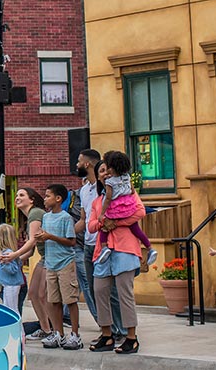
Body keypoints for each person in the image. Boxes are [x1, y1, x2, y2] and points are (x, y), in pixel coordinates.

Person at [88, 160, 144, 355]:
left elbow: (139, 212)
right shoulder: (97, 201)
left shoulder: (129, 193)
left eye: (107, 170)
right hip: (102, 252)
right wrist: (103, 223)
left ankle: (131, 337)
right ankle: (107, 334)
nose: (105, 174)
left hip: (125, 249)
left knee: (124, 294)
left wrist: (116, 222)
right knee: (99, 291)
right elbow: (91, 225)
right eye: (101, 171)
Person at [75, 150, 128, 341]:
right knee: (93, 290)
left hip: (106, 245)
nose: (76, 165)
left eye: (79, 161)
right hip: (88, 247)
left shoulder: (110, 190)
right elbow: (84, 220)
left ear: (89, 165)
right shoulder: (84, 190)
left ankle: (120, 330)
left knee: (111, 290)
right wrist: (61, 234)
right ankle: (107, 330)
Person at [0, 188, 52, 340]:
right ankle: (45, 329)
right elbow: (31, 251)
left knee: (42, 295)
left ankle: (52, 330)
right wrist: (14, 259)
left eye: (22, 195)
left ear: (32, 200)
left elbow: (32, 241)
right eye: (16, 195)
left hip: (51, 258)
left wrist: (14, 255)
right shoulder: (31, 216)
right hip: (44, 257)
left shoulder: (35, 213)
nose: (17, 197)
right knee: (34, 294)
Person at [37, 184, 82, 350]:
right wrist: (42, 238)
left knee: (70, 300)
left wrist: (50, 236)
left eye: (48, 196)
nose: (45, 198)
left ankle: (75, 335)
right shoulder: (46, 218)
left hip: (65, 264)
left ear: (58, 199)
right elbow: (47, 237)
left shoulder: (65, 218)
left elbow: (71, 241)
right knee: (53, 300)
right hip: (51, 264)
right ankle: (59, 334)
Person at [96, 151, 157, 266]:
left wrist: (102, 213)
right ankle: (150, 248)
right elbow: (132, 191)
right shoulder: (127, 177)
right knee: (136, 229)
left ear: (112, 168)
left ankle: (104, 248)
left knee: (104, 227)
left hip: (115, 209)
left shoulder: (110, 182)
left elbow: (108, 198)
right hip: (129, 208)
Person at [0, 223, 25, 312]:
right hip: (9, 284)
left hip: (12, 284)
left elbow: (13, 269)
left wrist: (3, 263)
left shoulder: (7, 253)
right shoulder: (8, 252)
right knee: (8, 307)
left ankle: (17, 326)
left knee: (12, 309)